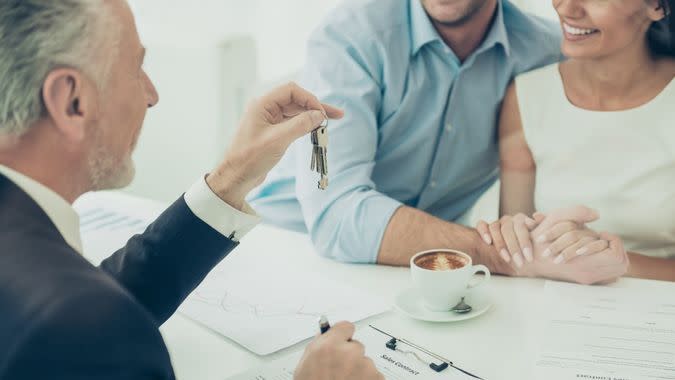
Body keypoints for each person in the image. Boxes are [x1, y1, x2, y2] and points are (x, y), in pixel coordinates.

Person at [0, 1, 383, 379]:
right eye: (137, 68)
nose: (152, 95)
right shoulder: (92, 331)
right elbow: (86, 324)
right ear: (72, 101)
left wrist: (231, 179)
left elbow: (90, 304)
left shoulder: (58, 303)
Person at [248, 0, 627, 283]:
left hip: (423, 271)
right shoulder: (349, 38)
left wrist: (574, 243)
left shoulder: (545, 52)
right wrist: (503, 254)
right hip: (285, 250)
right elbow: (335, 216)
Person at [477, 0, 674, 283]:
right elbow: (520, 254)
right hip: (554, 310)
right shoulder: (527, 96)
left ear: (657, 6)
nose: (567, 8)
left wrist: (611, 260)